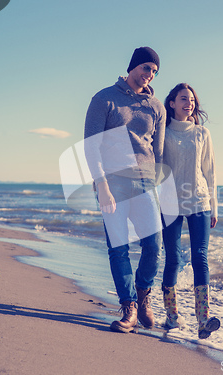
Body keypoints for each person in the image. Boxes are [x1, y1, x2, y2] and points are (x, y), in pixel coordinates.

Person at [84, 47, 166, 333]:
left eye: (154, 71)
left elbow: (158, 150)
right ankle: (129, 307)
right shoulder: (104, 98)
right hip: (113, 182)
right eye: (146, 68)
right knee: (118, 248)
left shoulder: (156, 107)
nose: (149, 74)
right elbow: (91, 146)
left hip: (145, 182)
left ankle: (144, 295)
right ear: (132, 67)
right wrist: (102, 183)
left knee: (154, 245)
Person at [161, 83, 220, 339]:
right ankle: (172, 315)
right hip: (170, 203)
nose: (190, 103)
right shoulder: (162, 133)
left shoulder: (202, 133)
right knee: (173, 259)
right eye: (184, 99)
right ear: (172, 103)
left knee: (200, 258)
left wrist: (214, 206)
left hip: (199, 201)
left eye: (192, 100)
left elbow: (210, 172)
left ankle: (203, 320)